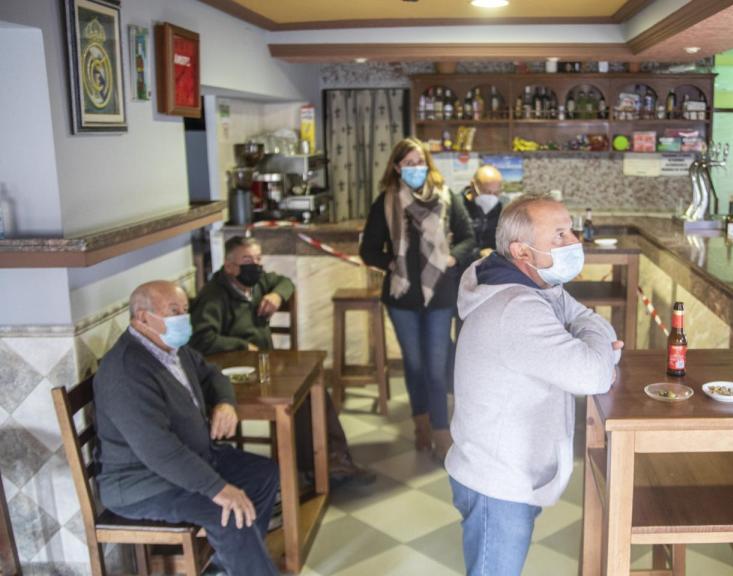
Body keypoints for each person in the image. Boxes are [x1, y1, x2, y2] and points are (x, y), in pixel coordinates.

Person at [446, 195, 622, 575]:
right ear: (521, 250)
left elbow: (591, 324)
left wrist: (595, 346)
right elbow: (593, 372)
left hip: (507, 468)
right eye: (558, 235)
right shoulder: (517, 307)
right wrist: (599, 349)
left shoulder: (540, 286)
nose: (573, 241)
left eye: (570, 229)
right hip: (496, 481)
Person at [94, 281, 280, 576]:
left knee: (264, 474)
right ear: (143, 318)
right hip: (144, 482)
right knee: (227, 512)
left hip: (191, 460)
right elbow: (158, 450)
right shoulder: (127, 370)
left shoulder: (171, 348)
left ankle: (229, 566)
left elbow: (213, 375)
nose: (183, 317)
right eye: (174, 310)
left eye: (184, 309)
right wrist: (217, 488)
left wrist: (224, 403)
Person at [190, 236, 374, 486]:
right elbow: (202, 338)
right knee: (296, 398)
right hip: (232, 375)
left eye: (258, 259)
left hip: (265, 365)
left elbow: (285, 282)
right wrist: (242, 345)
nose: (254, 265)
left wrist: (277, 295)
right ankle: (313, 465)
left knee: (312, 390)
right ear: (229, 266)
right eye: (247, 260)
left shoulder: (256, 284)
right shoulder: (214, 296)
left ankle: (327, 461)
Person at [359, 137, 476, 460]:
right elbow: (367, 250)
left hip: (440, 296)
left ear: (428, 164)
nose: (415, 168)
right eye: (408, 163)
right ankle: (420, 424)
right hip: (402, 300)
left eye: (419, 161)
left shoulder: (447, 198)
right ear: (397, 167)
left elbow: (469, 239)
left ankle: (441, 433)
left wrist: (452, 258)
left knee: (437, 368)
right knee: (414, 364)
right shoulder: (385, 203)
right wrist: (389, 262)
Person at [461, 164, 504, 258]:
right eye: (487, 192)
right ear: (473, 185)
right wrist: (477, 254)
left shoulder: (499, 208)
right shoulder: (458, 206)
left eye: (496, 193)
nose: (491, 197)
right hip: (462, 266)